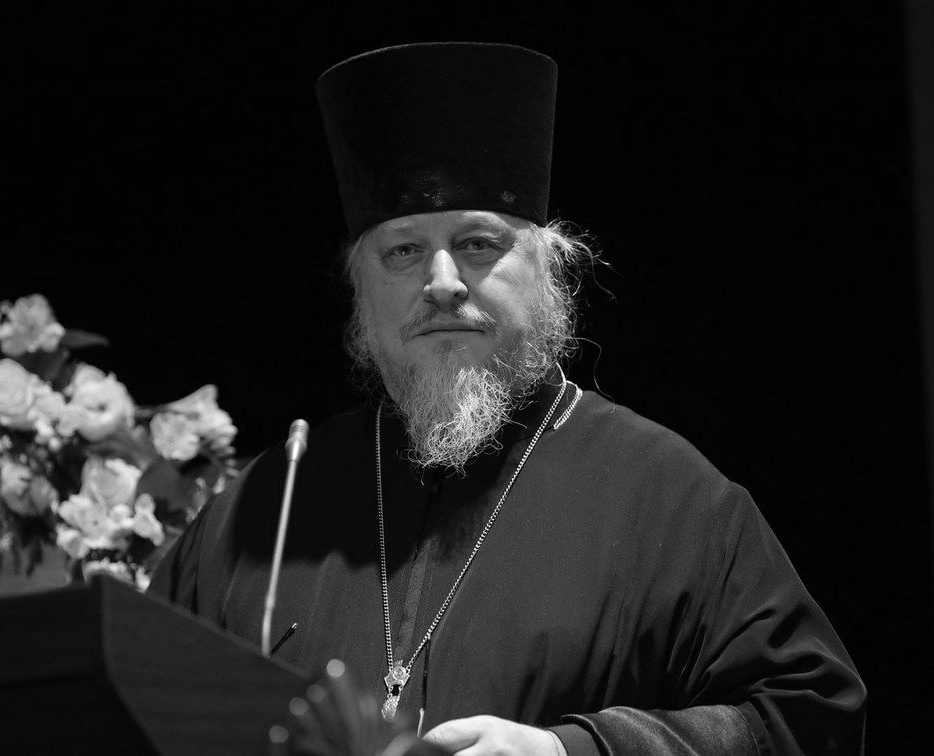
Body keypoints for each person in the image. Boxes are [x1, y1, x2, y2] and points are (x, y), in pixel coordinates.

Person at [150, 42, 866, 754]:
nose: (442, 283)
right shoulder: (266, 507)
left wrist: (574, 752)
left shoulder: (667, 495)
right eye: (403, 251)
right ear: (359, 289)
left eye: (478, 243)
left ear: (550, 269)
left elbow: (811, 721)